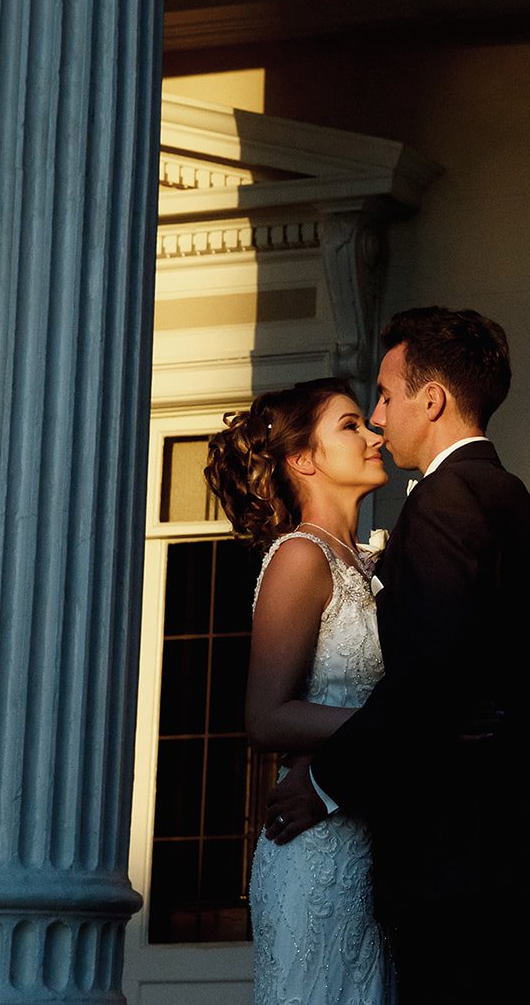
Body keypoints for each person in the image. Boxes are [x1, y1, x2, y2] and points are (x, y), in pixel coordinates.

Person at [265, 307, 530, 1003]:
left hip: (460, 877)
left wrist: (322, 783)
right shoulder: (521, 506)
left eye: (384, 396)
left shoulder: (445, 503)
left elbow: (428, 683)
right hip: (526, 871)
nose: (378, 418)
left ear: (431, 398)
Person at [203, 377, 394, 1005]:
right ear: (302, 459)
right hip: (315, 858)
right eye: (351, 426)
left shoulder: (367, 563)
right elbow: (266, 716)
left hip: (370, 840)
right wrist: (390, 729)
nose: (374, 433)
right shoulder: (300, 557)